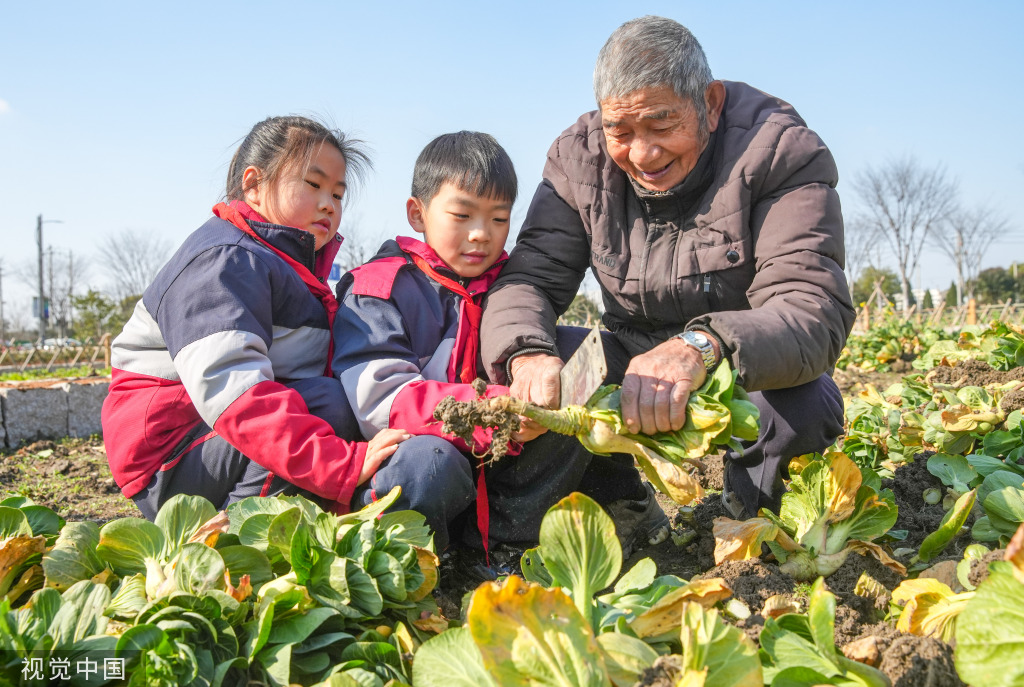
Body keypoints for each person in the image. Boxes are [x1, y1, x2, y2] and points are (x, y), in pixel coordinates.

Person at [480, 16, 854, 520]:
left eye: (662, 126)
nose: (642, 154)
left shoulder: (780, 151)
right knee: (556, 373)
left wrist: (702, 346)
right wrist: (525, 355)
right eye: (621, 131)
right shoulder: (579, 158)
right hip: (630, 350)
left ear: (711, 104)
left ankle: (753, 524)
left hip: (735, 362)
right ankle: (614, 509)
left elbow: (811, 307)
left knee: (802, 406)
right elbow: (530, 277)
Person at [333, 132, 618, 567]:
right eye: (462, 215)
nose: (482, 234)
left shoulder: (511, 286)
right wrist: (494, 411)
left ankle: (508, 543)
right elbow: (381, 401)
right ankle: (418, 557)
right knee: (431, 463)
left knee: (579, 357)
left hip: (495, 463)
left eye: (499, 219)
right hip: (420, 455)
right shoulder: (378, 288)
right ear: (417, 213)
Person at [102, 115, 409, 519]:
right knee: (326, 405)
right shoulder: (225, 260)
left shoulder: (287, 267)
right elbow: (234, 391)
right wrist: (341, 463)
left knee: (330, 400)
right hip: (170, 460)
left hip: (207, 441)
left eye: (337, 194)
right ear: (253, 184)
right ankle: (229, 535)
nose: (327, 204)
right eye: (313, 184)